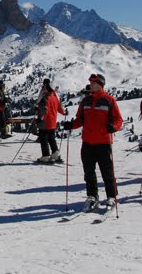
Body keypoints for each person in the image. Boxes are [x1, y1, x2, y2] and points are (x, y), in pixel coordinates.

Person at [62, 74, 123, 212]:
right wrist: (71, 125)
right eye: (90, 82)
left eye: (94, 83)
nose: (91, 85)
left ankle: (111, 197)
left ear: (101, 85)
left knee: (107, 172)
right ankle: (92, 196)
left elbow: (118, 119)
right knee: (88, 172)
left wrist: (113, 127)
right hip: (87, 142)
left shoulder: (109, 100)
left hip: (103, 142)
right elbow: (80, 120)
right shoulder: (85, 101)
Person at [35, 79, 66, 163]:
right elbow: (60, 109)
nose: (43, 89)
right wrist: (64, 112)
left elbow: (43, 110)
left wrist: (39, 119)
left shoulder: (45, 98)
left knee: (43, 139)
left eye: (44, 87)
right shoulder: (55, 98)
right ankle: (55, 153)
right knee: (51, 138)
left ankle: (45, 156)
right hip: (52, 122)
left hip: (45, 122)